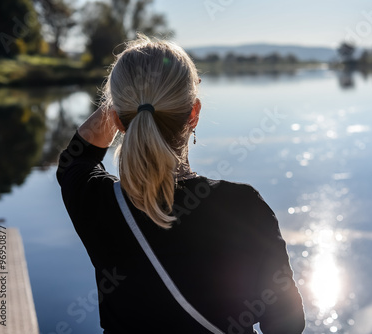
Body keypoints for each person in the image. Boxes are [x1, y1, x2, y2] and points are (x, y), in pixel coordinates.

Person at [57, 34, 305, 334]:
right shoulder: (243, 207)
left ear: (117, 120)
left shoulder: (96, 202)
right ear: (194, 114)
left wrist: (126, 102)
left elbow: (75, 159)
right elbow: (287, 325)